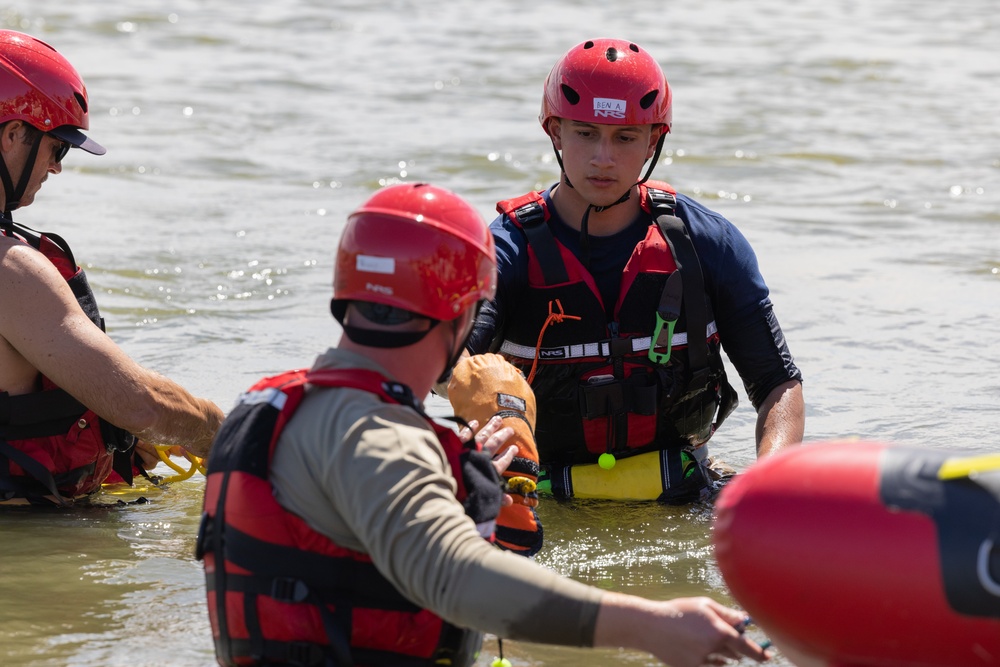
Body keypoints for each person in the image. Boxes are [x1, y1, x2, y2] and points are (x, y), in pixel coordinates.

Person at [197, 182, 770, 667]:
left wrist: (465, 485)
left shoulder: (260, 407)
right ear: (463, 311)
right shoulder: (385, 441)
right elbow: (457, 578)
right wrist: (654, 624)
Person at [454, 38, 805, 503]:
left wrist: (771, 487)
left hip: (686, 491)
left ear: (653, 141)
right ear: (555, 132)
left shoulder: (708, 245)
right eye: (585, 133)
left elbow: (778, 383)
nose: (604, 157)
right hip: (536, 492)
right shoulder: (504, 252)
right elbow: (445, 363)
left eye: (624, 138)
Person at [0, 29, 224, 506]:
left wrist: (113, 437)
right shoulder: (11, 269)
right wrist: (229, 435)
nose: (56, 167)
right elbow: (137, 402)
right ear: (13, 134)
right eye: (57, 147)